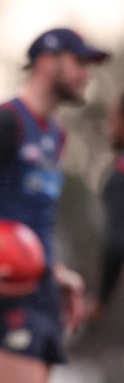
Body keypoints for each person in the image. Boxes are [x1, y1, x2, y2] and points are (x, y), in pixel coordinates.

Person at [0, 28, 109, 383]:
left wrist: (60, 273)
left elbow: (39, 220)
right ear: (48, 62)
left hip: (43, 290)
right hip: (3, 289)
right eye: (79, 62)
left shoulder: (57, 135)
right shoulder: (4, 122)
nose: (86, 74)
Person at [87, 88, 124, 320]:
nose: (107, 125)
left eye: (113, 117)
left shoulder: (119, 174)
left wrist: (101, 299)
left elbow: (117, 242)